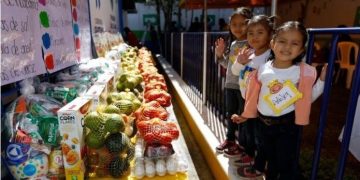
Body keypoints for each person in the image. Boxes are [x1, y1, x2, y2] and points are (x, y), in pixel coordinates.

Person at [232, 21, 327, 179]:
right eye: (282, 41)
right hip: (263, 125)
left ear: (301, 49)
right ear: (272, 44)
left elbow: (307, 98)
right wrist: (246, 114)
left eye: (294, 43)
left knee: (284, 162)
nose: (287, 47)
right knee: (270, 159)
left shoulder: (300, 73)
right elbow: (253, 96)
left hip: (287, 126)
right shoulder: (262, 70)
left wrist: (323, 80)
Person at [230, 15, 275, 174]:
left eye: (260, 32)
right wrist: (239, 62)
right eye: (250, 33)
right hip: (246, 99)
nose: (254, 37)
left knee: (259, 136)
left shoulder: (270, 56)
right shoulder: (248, 53)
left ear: (270, 35)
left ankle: (259, 163)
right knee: (247, 131)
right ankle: (249, 153)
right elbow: (235, 72)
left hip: (260, 105)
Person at [214, 7, 253, 157]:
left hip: (244, 88)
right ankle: (230, 139)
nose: (237, 27)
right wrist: (219, 55)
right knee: (230, 114)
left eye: (242, 24)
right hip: (230, 85)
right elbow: (228, 65)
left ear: (250, 23)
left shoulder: (251, 44)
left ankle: (244, 146)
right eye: (234, 24)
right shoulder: (233, 43)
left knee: (243, 117)